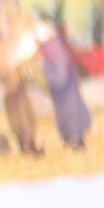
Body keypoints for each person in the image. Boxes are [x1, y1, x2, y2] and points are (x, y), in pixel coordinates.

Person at [35, 17, 93, 150]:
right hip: (61, 86)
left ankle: (77, 139)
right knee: (65, 110)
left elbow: (59, 73)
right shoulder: (49, 47)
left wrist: (44, 66)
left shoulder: (53, 48)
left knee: (71, 110)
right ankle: (70, 137)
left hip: (64, 85)